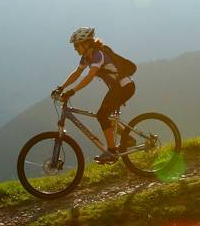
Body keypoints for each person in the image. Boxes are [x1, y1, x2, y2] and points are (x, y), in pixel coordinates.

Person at [52, 27, 137, 164]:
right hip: (117, 88)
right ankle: (128, 139)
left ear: (86, 43)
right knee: (106, 115)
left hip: (124, 87)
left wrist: (72, 91)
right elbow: (76, 73)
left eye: (76, 45)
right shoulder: (86, 57)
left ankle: (111, 151)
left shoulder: (98, 55)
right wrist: (62, 87)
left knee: (102, 115)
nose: (75, 48)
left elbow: (89, 76)